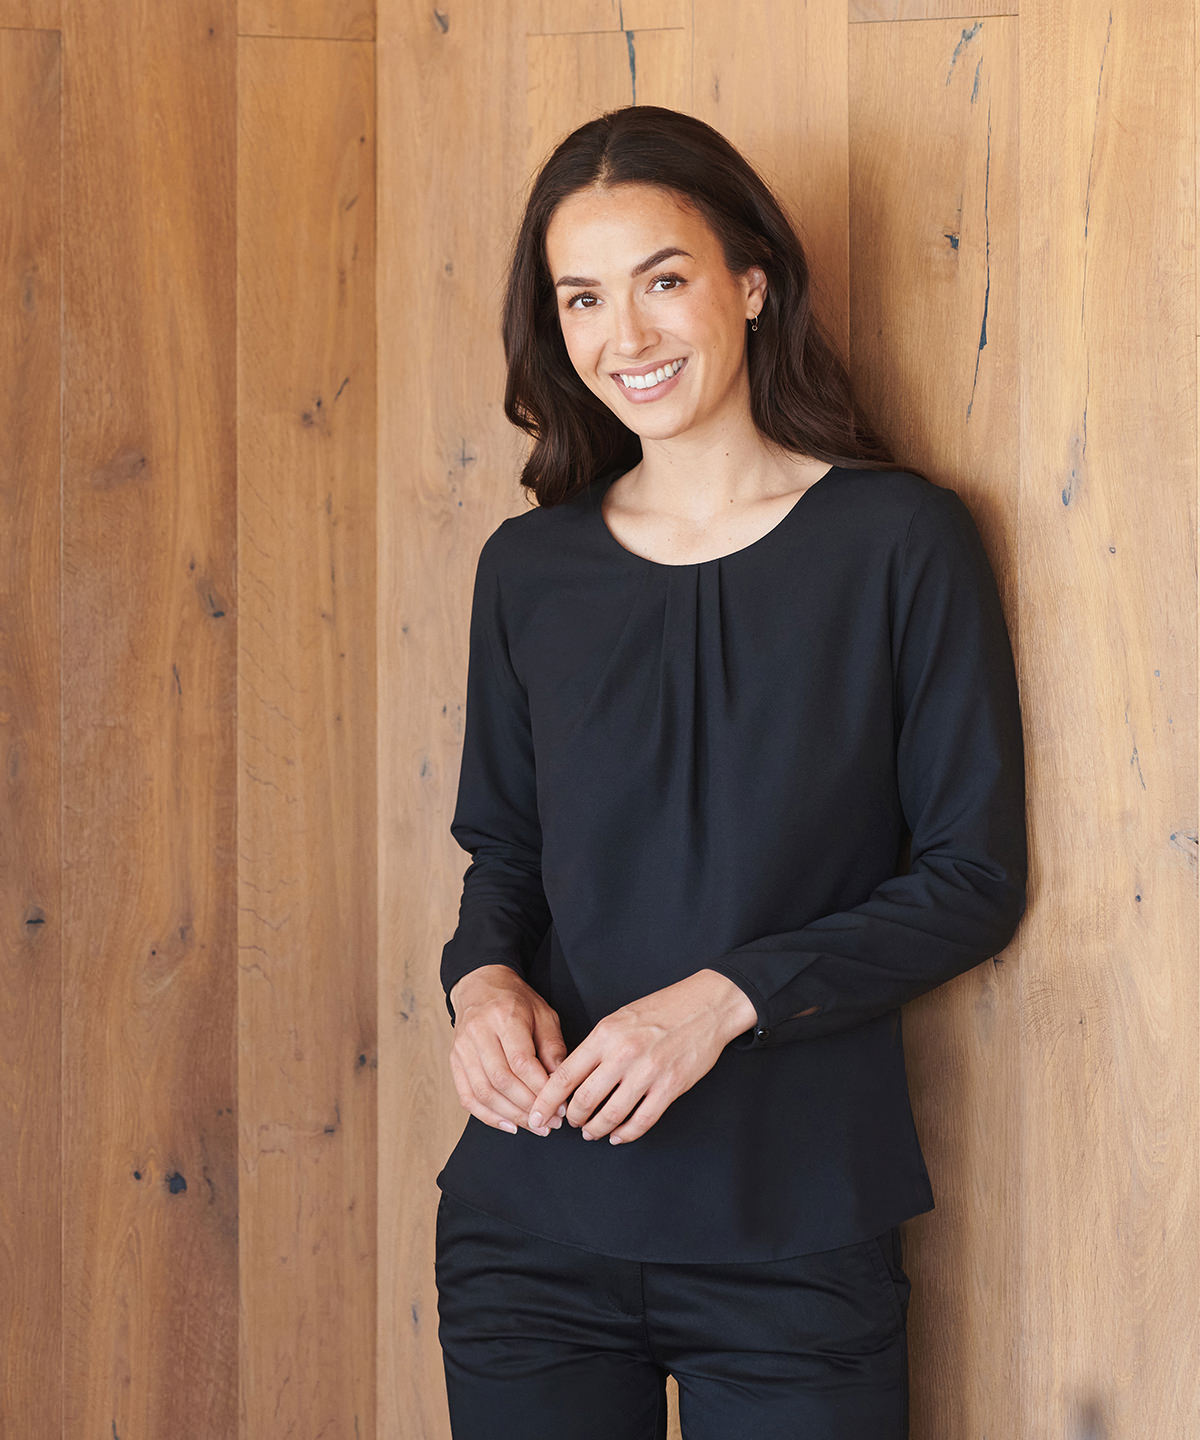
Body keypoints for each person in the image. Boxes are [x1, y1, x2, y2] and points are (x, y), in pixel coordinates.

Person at [432, 104, 1027, 1440]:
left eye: (664, 279)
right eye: (584, 297)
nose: (625, 336)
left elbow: (972, 880)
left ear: (752, 282)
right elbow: (506, 857)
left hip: (794, 1233)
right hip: (529, 1233)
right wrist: (482, 987)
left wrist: (718, 1003)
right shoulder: (528, 570)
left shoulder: (899, 541)